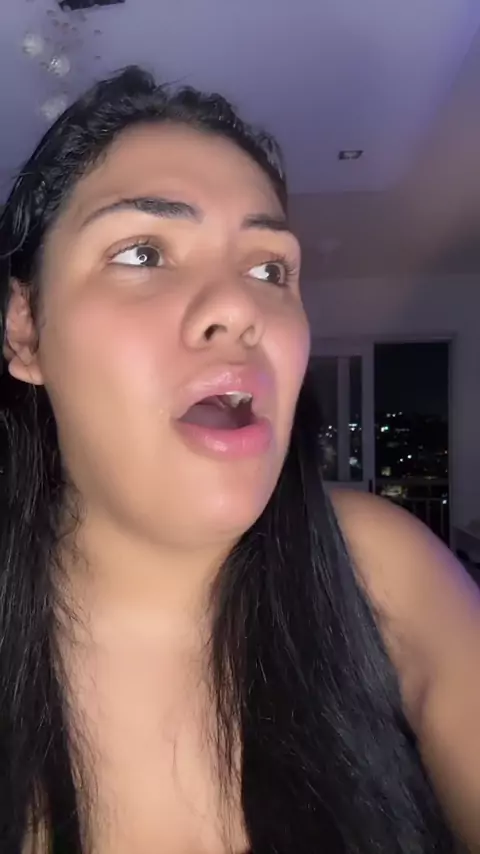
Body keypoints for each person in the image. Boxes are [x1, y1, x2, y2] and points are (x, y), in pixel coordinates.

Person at [0, 66, 478, 854]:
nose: (238, 305)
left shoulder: (381, 569)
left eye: (269, 270)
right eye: (143, 253)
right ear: (25, 331)